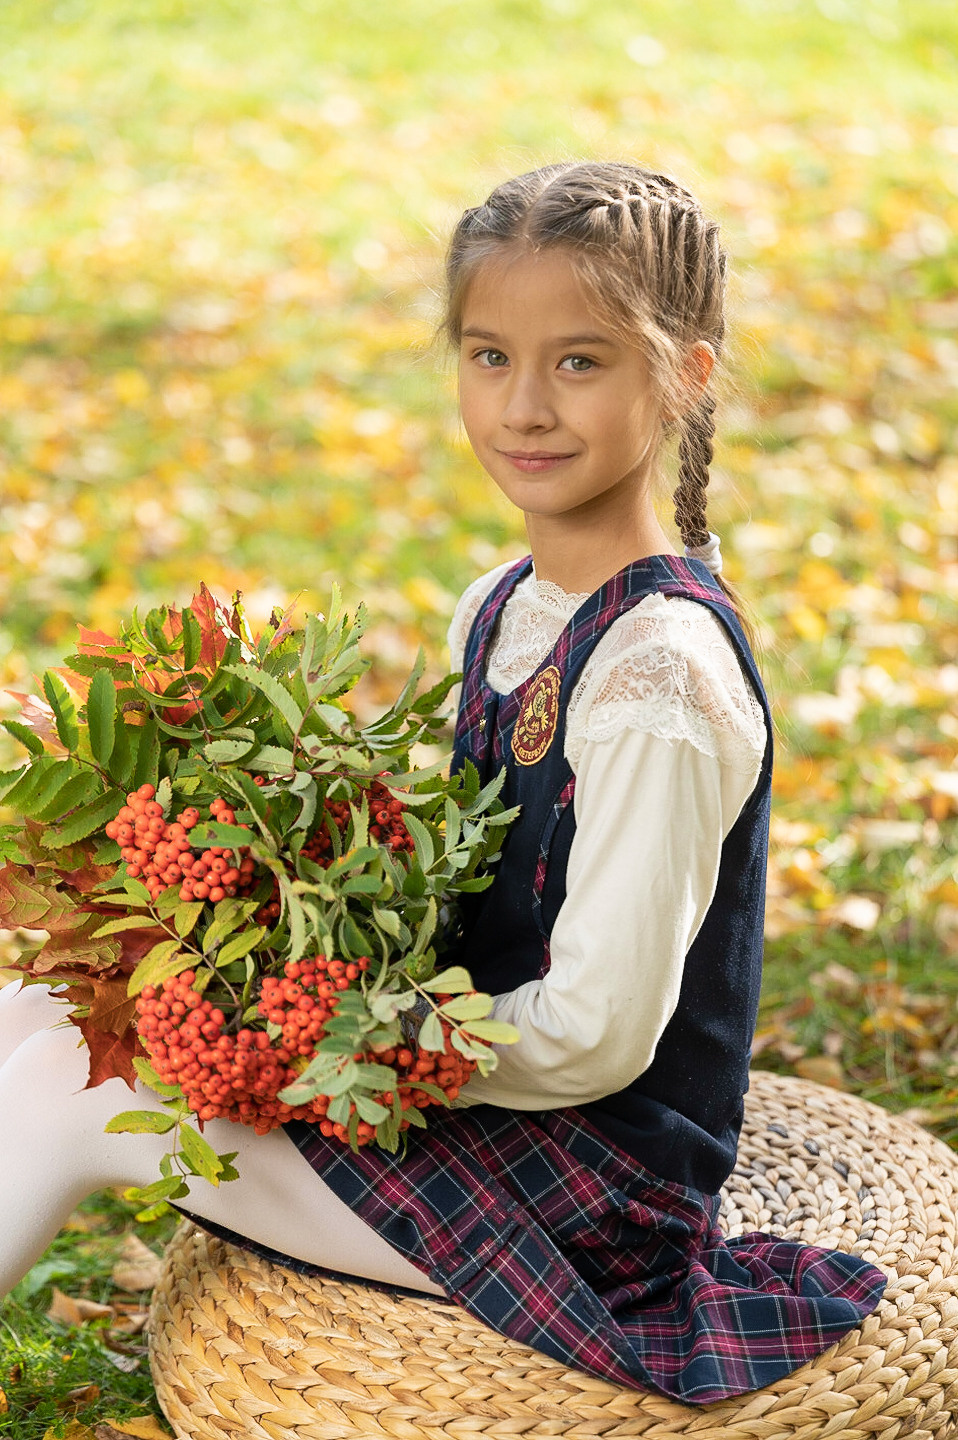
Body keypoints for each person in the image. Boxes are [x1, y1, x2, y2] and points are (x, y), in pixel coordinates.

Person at [0, 160, 886, 1404]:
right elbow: (457, 883)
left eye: (579, 361)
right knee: (50, 998)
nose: (522, 406)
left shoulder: (659, 682)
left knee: (61, 1088)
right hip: (471, 1099)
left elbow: (592, 1032)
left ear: (683, 373)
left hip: (588, 1187)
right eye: (486, 357)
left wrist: (329, 1038)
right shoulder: (506, 605)